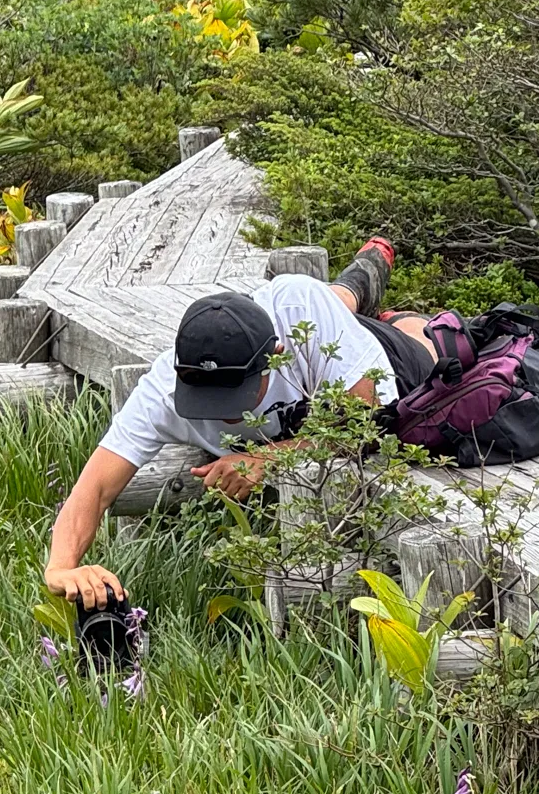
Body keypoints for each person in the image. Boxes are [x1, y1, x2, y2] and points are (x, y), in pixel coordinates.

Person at [44, 238, 438, 609]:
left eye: (237, 393)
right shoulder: (161, 390)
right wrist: (60, 567)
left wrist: (266, 459)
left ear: (276, 356)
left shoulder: (300, 312)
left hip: (384, 360)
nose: (224, 412)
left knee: (429, 344)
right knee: (333, 304)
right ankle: (357, 283)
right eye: (207, 398)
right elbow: (93, 489)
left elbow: (366, 421)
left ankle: (388, 304)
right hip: (321, 332)